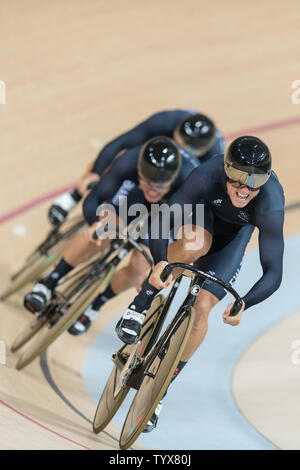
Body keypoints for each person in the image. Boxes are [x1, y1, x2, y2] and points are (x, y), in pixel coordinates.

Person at [116, 135, 285, 432]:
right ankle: (140, 303)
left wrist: (245, 301)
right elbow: (163, 220)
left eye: (254, 181)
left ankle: (161, 389)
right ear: (226, 168)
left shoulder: (270, 201)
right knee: (194, 247)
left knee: (202, 309)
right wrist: (159, 261)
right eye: (237, 178)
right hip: (202, 216)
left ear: (265, 180)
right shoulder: (208, 173)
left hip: (234, 237)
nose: (245, 189)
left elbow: (273, 271)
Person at [24, 137, 201, 337]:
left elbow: (178, 235)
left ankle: (95, 304)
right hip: (134, 196)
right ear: (140, 171)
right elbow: (94, 199)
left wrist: (157, 261)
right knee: (102, 232)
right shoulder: (129, 161)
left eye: (159, 186)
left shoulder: (189, 182)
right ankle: (48, 283)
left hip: (168, 210)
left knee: (140, 265)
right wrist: (96, 224)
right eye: (148, 182)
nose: (153, 189)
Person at [47, 110, 224, 225]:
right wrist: (94, 175)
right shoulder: (164, 122)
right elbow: (119, 143)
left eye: (185, 148)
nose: (179, 148)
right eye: (178, 142)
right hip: (149, 156)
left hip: (173, 182)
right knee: (121, 159)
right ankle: (73, 196)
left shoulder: (212, 157)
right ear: (175, 131)